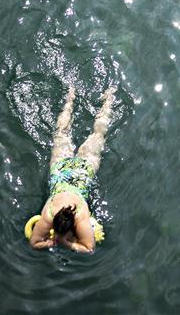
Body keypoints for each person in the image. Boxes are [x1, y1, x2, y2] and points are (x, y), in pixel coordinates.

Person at [29, 86, 116, 253]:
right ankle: (106, 98)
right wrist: (65, 242)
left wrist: (58, 242)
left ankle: (71, 96)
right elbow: (88, 248)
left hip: (76, 173)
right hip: (65, 171)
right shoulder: (75, 217)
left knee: (72, 134)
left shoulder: (52, 215)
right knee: (70, 133)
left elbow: (34, 242)